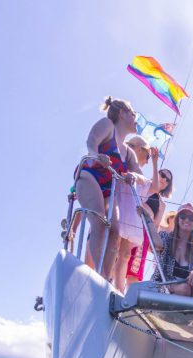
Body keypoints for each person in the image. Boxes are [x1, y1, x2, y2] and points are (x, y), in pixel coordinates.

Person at [74, 96, 142, 279]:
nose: (136, 117)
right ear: (121, 113)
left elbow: (141, 175)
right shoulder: (107, 125)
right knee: (99, 222)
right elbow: (91, 142)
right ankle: (100, 275)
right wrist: (96, 155)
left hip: (108, 189)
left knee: (115, 230)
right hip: (90, 175)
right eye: (133, 113)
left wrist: (133, 176)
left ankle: (106, 278)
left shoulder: (129, 152)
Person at [111, 135, 160, 293]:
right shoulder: (121, 161)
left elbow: (155, 187)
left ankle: (119, 290)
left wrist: (154, 162)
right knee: (113, 250)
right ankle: (107, 282)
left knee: (125, 254)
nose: (147, 160)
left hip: (131, 218)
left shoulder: (140, 176)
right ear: (138, 149)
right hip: (118, 214)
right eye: (147, 156)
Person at [125, 168, 174, 288]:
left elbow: (155, 225)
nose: (163, 179)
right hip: (129, 223)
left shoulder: (162, 204)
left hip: (144, 232)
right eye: (162, 175)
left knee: (134, 269)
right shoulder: (146, 185)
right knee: (120, 257)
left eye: (167, 180)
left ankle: (127, 296)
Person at [150, 203, 193, 298]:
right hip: (163, 285)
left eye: (191, 218)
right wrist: (148, 219)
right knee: (184, 289)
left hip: (187, 288)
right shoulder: (165, 237)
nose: (187, 220)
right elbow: (155, 245)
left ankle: (192, 312)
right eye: (183, 216)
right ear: (177, 220)